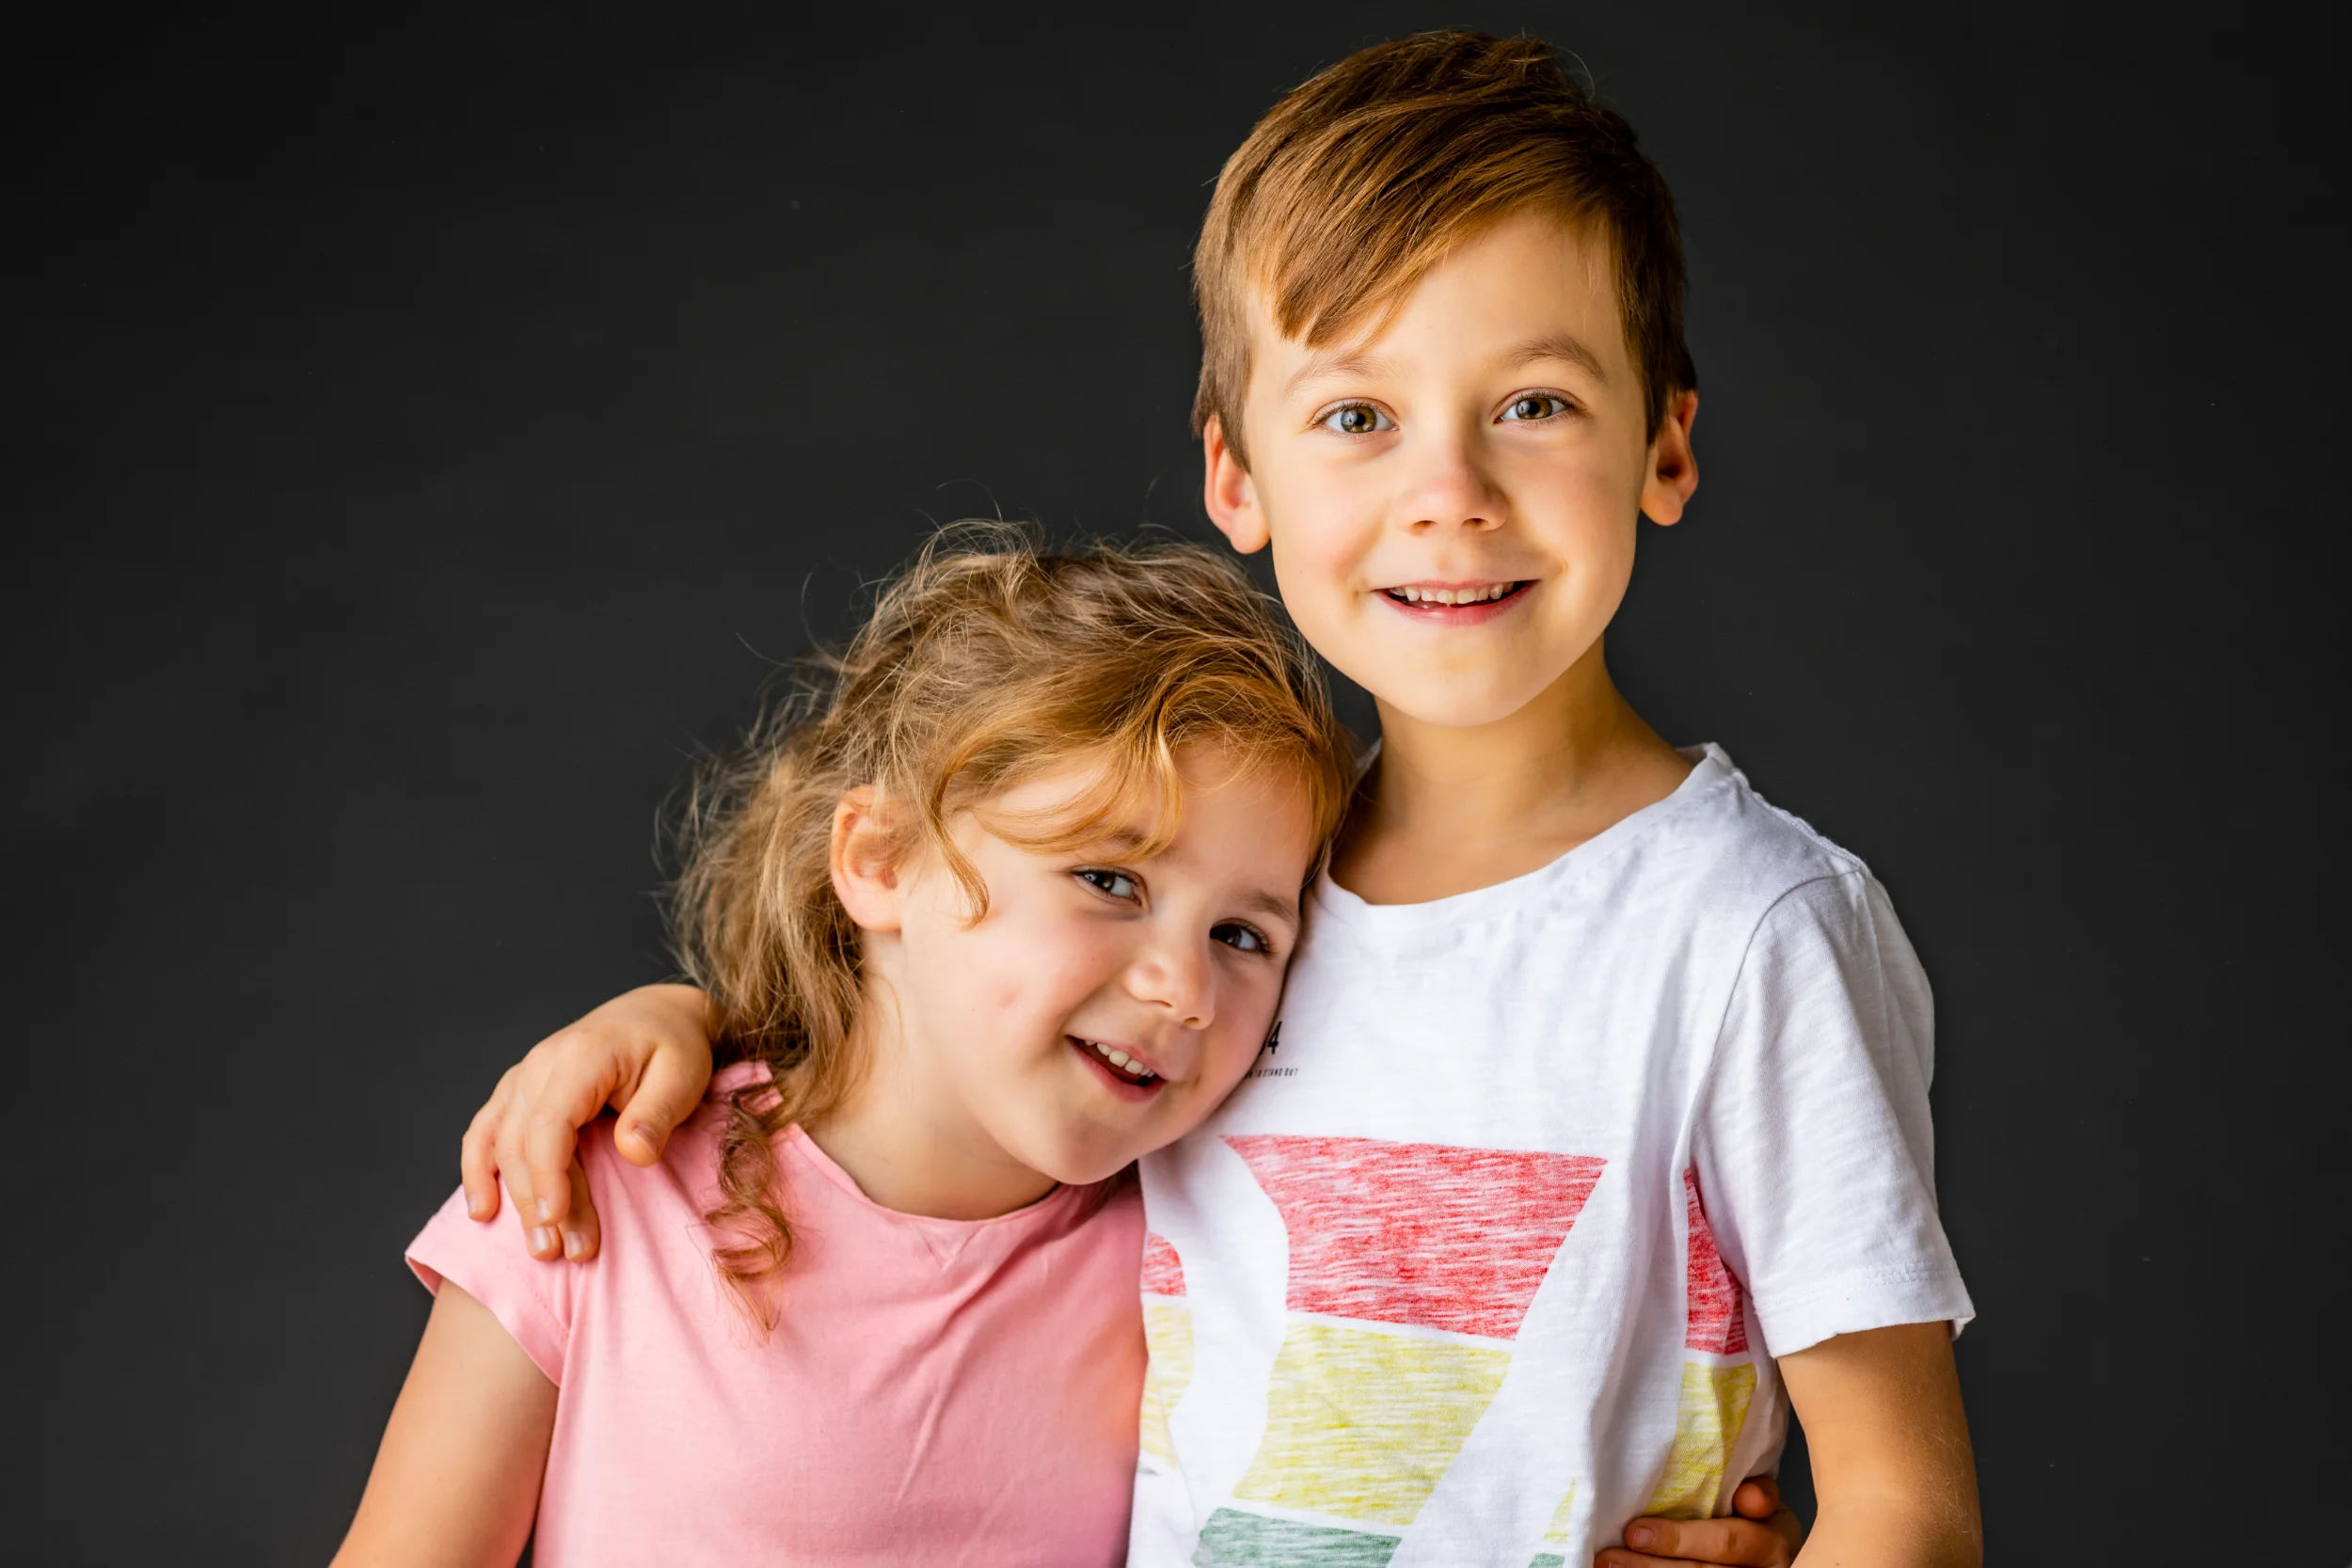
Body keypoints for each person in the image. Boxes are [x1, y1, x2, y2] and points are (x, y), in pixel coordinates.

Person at [458, 30, 1980, 1568]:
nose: (1447, 490)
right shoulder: (1257, 903)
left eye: (1533, 403)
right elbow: (953, 1026)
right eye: (1356, 416)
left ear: (1663, 441)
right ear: (1237, 475)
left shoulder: (1751, 931)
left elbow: (1904, 1504)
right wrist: (684, 1016)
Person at [331, 530, 1359, 1567]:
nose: (1181, 988)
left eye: (1243, 935)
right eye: (1110, 879)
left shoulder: (1196, 1247)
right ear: (878, 860)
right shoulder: (594, 1186)